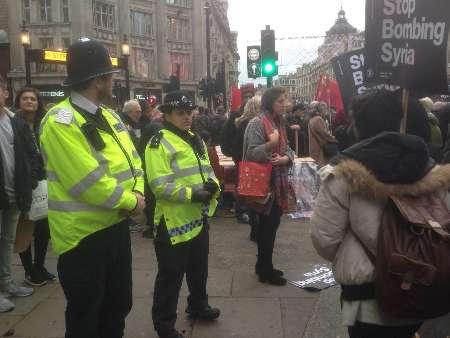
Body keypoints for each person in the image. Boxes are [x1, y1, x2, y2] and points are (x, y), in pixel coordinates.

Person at [310, 90, 448, 338]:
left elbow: (324, 239)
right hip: (426, 290)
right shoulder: (434, 170)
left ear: (360, 127)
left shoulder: (342, 174)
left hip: (363, 301)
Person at [40, 39, 145, 338]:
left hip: (115, 228)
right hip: (82, 238)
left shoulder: (110, 116)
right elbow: (87, 183)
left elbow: (133, 159)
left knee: (118, 305)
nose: (112, 81)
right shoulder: (60, 121)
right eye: (109, 76)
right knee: (86, 314)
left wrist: (137, 192)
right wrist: (132, 202)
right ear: (99, 80)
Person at [146, 91, 221, 338]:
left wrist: (213, 187)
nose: (187, 117)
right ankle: (164, 324)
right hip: (172, 221)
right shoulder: (159, 142)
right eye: (180, 113)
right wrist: (192, 194)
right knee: (171, 276)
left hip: (197, 217)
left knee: (199, 268)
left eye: (189, 112)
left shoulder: (194, 138)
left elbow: (206, 170)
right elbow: (159, 185)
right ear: (167, 115)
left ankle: (198, 305)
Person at [243, 87, 294, 286]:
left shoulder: (279, 123)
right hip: (265, 185)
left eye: (285, 100)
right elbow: (251, 153)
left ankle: (263, 265)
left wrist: (285, 158)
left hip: (277, 182)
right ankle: (265, 270)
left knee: (271, 227)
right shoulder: (257, 123)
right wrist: (270, 145)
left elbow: (289, 148)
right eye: (280, 101)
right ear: (270, 102)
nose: (284, 104)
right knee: (266, 228)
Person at [0, 76, 37, 313]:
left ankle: (6, 282)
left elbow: (31, 154)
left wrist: (30, 181)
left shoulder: (15, 121)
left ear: (5, 93)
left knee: (7, 241)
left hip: (14, 195)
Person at [13, 87, 56, 286]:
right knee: (25, 229)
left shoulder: (43, 124)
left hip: (44, 181)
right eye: (25, 98)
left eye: (33, 99)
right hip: (24, 183)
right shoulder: (14, 124)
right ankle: (29, 271)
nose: (29, 101)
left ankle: (39, 267)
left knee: (43, 229)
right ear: (19, 101)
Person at [235, 96, 262, 242]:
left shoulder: (242, 122)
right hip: (249, 164)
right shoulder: (250, 123)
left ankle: (254, 227)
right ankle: (254, 228)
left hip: (244, 162)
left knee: (250, 195)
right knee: (253, 196)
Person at [308, 102, 337, 166]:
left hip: (315, 147)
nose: (326, 110)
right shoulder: (318, 119)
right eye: (325, 108)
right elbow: (324, 133)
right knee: (321, 167)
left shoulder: (312, 119)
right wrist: (333, 139)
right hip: (320, 148)